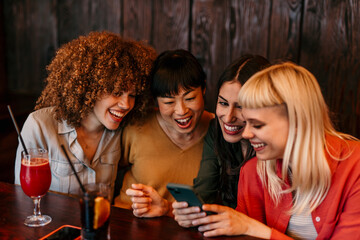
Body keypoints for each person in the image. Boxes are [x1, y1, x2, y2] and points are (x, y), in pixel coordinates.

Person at [177, 62, 360, 239]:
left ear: (297, 121)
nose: (247, 134)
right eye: (246, 122)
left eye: (257, 125)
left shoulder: (355, 166)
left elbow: (248, 229)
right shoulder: (252, 171)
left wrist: (254, 228)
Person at [14, 31, 156, 199]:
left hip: (99, 223)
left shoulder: (123, 130)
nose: (126, 104)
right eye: (117, 92)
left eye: (132, 95)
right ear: (90, 87)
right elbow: (23, 199)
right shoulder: (39, 125)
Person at [171, 55, 270, 227]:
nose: (229, 117)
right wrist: (187, 212)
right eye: (223, 104)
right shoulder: (215, 131)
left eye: (240, 106)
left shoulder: (273, 146)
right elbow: (203, 194)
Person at [113, 49, 214, 217]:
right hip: (127, 222)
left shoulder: (218, 132)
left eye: (190, 98)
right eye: (169, 102)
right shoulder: (136, 127)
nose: (181, 111)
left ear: (203, 89)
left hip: (186, 231)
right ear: (155, 101)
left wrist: (168, 209)